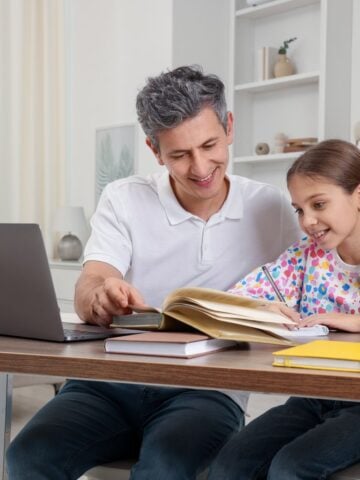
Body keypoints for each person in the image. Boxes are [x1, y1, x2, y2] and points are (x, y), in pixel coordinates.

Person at [6, 65, 300, 480]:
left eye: (209, 145)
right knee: (29, 456)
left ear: (230, 127)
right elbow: (91, 281)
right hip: (108, 384)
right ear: (154, 150)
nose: (200, 167)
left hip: (207, 393)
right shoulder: (123, 197)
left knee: (164, 469)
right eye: (179, 154)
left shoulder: (273, 209)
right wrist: (102, 292)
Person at [208, 138, 360, 480]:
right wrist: (265, 309)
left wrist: (353, 321)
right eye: (299, 209)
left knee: (290, 468)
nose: (308, 221)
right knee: (228, 466)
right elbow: (236, 300)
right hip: (314, 395)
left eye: (319, 204)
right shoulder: (306, 254)